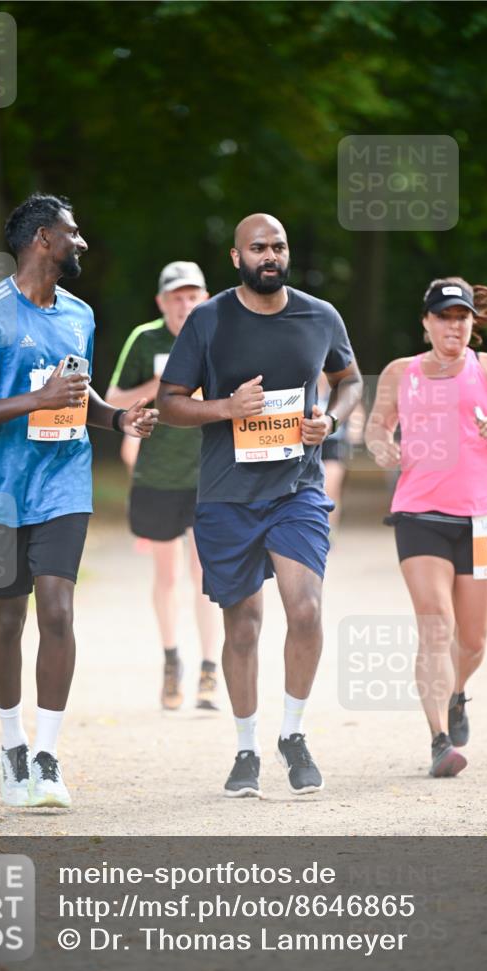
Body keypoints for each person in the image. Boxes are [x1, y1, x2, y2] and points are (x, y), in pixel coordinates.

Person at [0, 193, 157, 809]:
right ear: (42, 238)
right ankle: (12, 743)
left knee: (58, 613)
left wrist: (119, 420)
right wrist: (36, 401)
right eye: (72, 231)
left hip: (63, 483)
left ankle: (47, 755)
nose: (81, 241)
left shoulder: (79, 315)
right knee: (7, 621)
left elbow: (76, 396)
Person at [157, 214, 363, 797]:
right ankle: (246, 747)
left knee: (306, 610)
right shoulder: (209, 319)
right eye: (258, 248)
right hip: (227, 494)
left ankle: (292, 734)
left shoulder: (320, 316)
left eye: (278, 247)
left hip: (297, 488)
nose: (270, 256)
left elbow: (350, 381)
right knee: (243, 626)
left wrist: (331, 420)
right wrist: (226, 407)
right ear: (236, 257)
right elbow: (169, 403)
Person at [365, 277, 487, 777]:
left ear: (472, 323)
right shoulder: (401, 372)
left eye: (461, 317)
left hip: (482, 516)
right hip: (420, 514)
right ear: (426, 323)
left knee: (473, 641)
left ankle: (457, 692)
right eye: (443, 317)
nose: (452, 326)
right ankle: (439, 740)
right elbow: (376, 426)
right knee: (436, 623)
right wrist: (381, 446)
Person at [106, 262, 221, 711]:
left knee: (205, 574)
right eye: (176, 297)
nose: (184, 305)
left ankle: (209, 670)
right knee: (167, 575)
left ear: (205, 299)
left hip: (209, 475)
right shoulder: (144, 339)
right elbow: (112, 400)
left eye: (192, 296)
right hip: (157, 476)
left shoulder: (218, 335)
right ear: (161, 302)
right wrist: (158, 385)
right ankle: (172, 661)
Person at [317, 371, 365, 532]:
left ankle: (329, 532)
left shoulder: (338, 391)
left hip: (332, 443)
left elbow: (356, 410)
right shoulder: (304, 390)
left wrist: (355, 430)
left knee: (330, 488)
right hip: (306, 445)